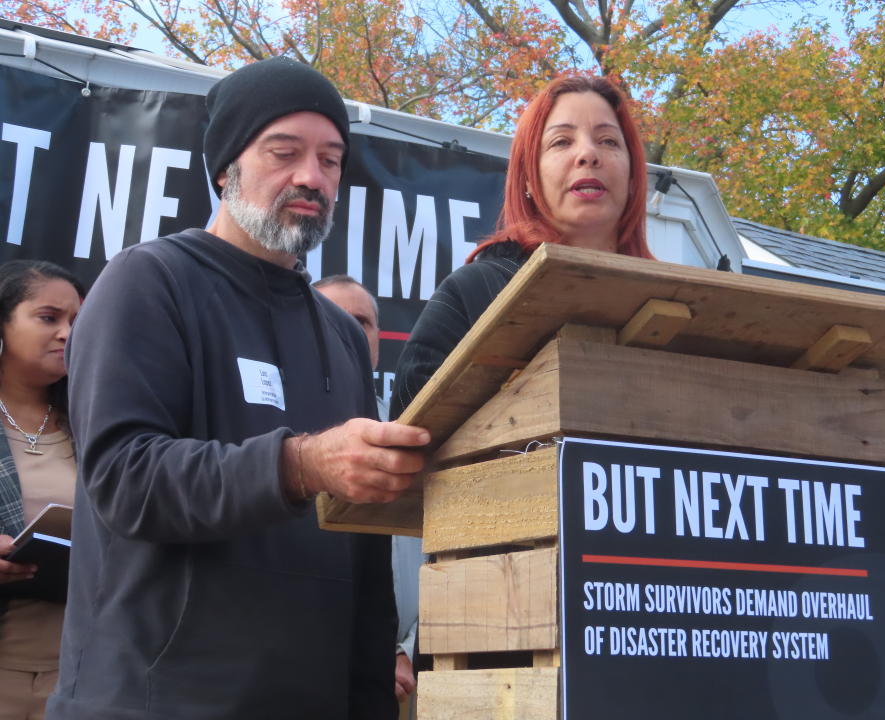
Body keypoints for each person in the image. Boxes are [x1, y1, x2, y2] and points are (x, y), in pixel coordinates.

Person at [46, 57, 430, 720]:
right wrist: (300, 464)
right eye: (284, 152)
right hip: (152, 702)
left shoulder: (340, 335)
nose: (312, 177)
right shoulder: (147, 283)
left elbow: (366, 556)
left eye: (331, 160)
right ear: (226, 168)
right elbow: (123, 478)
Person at [390, 75, 654, 418]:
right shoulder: (473, 294)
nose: (588, 154)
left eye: (608, 141)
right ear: (528, 176)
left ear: (634, 177)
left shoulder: (675, 301)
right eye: (561, 142)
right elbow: (409, 438)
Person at [312, 275, 424, 718]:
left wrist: (403, 649)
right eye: (334, 317)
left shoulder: (410, 430)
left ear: (379, 340)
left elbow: (423, 553)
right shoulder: (274, 428)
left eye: (363, 321)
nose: (351, 330)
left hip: (402, 674)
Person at [0, 261, 83, 720]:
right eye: (49, 318)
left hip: (82, 674)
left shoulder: (95, 422)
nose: (67, 334)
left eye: (77, 321)